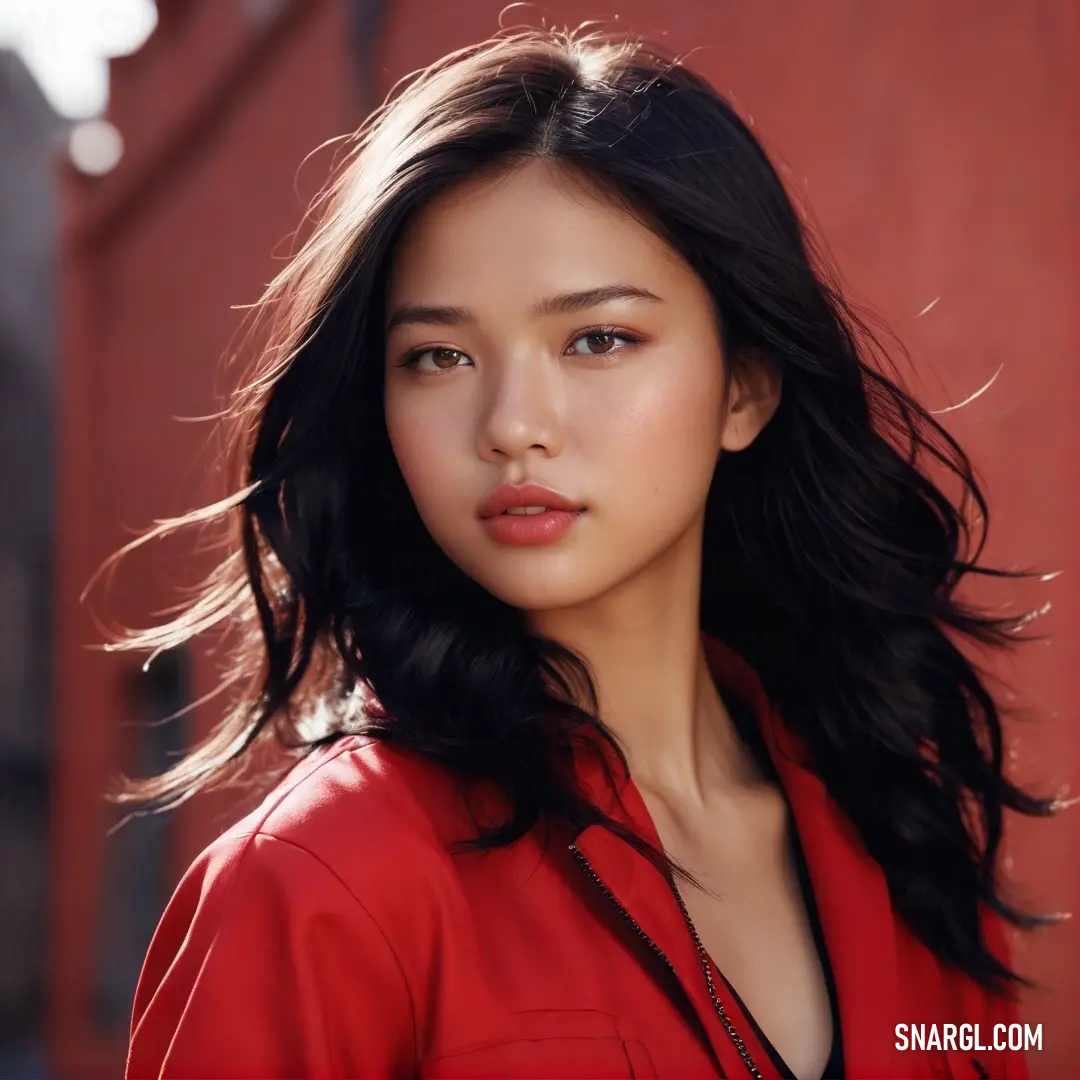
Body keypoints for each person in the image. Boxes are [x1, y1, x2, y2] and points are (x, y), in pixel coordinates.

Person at [116, 25, 1053, 1080]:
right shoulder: (319, 885)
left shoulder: (905, 839)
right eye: (439, 356)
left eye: (598, 338)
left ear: (744, 386)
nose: (514, 423)